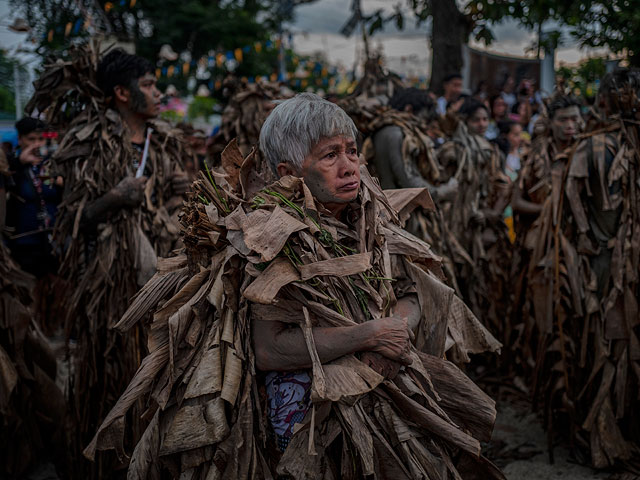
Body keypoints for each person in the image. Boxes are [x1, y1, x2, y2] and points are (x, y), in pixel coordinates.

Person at [87, 93, 503, 479]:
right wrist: (368, 334)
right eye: (329, 156)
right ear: (288, 173)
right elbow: (270, 349)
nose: (349, 166)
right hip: (315, 413)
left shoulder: (372, 215)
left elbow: (413, 289)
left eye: (352, 151)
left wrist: (397, 327)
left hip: (390, 378)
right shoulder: (269, 237)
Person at [30, 46, 193, 478]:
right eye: (148, 85)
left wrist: (183, 190)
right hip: (111, 294)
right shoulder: (90, 142)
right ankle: (105, 463)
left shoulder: (165, 143)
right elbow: (69, 223)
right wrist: (113, 199)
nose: (158, 92)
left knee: (162, 374)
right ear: (121, 93)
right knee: (113, 378)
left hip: (161, 283)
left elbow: (179, 212)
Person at [515, 71, 640, 471]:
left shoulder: (599, 149)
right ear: (550, 124)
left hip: (597, 261)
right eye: (562, 120)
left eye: (575, 118)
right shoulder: (546, 157)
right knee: (569, 335)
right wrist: (550, 220)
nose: (571, 125)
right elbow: (520, 201)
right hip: (556, 258)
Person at [5, 117, 62, 277]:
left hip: (53, 241)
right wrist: (19, 163)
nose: (36, 144)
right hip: (23, 244)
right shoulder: (9, 164)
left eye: (40, 139)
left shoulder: (52, 165)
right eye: (31, 139)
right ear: (20, 139)